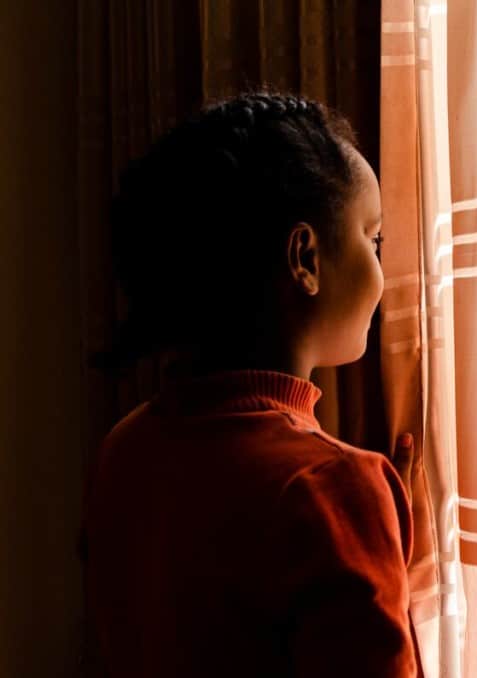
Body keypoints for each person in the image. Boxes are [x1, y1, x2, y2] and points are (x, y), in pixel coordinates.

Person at [83, 91, 421, 677]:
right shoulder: (330, 484)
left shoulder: (126, 449)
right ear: (305, 259)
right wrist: (368, 520)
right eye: (373, 239)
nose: (380, 269)